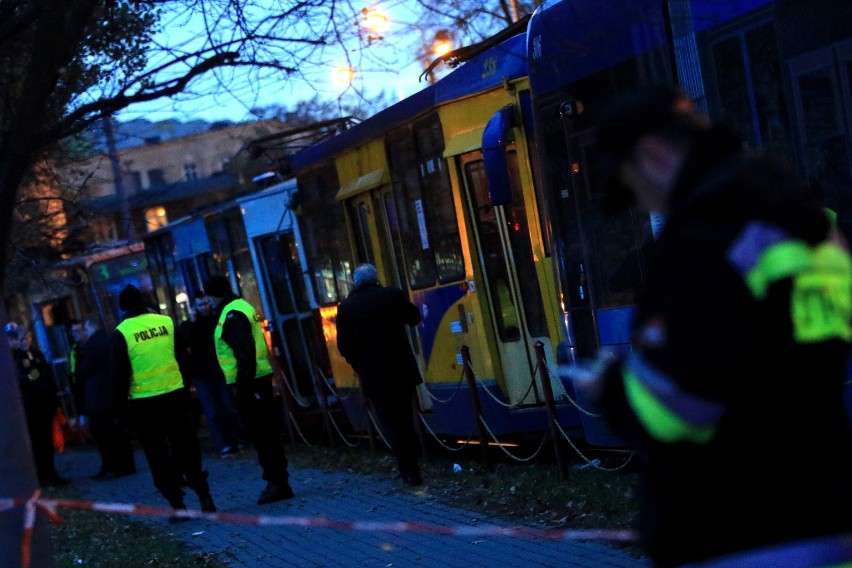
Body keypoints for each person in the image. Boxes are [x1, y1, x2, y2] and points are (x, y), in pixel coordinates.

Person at [593, 85, 852, 567]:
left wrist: (610, 387)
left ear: (652, 156)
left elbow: (679, 407)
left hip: (736, 529)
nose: (644, 203)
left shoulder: (702, 244)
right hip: (828, 517)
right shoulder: (802, 221)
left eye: (632, 186)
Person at [110, 285, 216, 515]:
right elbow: (184, 360)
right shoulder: (166, 322)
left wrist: (120, 413)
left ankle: (177, 505)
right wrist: (185, 388)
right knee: (187, 449)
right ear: (144, 302)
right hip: (176, 399)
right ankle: (204, 495)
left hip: (144, 406)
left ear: (122, 308)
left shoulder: (121, 333)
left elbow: (119, 377)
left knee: (158, 457)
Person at [203, 275, 294, 505]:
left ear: (214, 295)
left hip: (250, 383)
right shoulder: (240, 306)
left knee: (262, 434)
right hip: (257, 380)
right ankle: (278, 481)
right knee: (266, 433)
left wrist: (243, 386)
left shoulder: (231, 314)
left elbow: (244, 352)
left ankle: (276, 482)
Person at [335, 263, 424, 486]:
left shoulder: (346, 308)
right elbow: (414, 317)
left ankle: (407, 471)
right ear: (376, 279)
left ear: (355, 282)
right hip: (402, 371)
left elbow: (344, 347)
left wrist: (359, 364)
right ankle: (414, 467)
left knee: (391, 423)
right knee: (406, 419)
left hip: (373, 377)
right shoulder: (391, 295)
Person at [177, 290, 245, 457]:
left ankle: (236, 440)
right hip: (203, 375)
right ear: (194, 307)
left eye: (206, 303)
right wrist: (192, 323)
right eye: (200, 305)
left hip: (219, 371)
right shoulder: (190, 325)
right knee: (213, 412)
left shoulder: (216, 320)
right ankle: (225, 445)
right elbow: (185, 341)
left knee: (229, 408)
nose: (204, 307)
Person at [7, 322, 70, 487]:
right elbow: (23, 380)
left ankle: (50, 473)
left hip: (45, 405)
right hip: (30, 407)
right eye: (21, 338)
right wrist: (34, 374)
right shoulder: (15, 357)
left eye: (27, 337)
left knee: (47, 444)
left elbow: (46, 373)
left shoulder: (37, 354)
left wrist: (54, 400)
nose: (25, 340)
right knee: (37, 444)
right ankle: (41, 476)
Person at [77, 318, 136, 479]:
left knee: (103, 435)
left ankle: (111, 465)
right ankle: (127, 465)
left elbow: (83, 369)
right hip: (113, 394)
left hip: (97, 398)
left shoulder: (91, 345)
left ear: (90, 327)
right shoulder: (111, 340)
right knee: (119, 433)